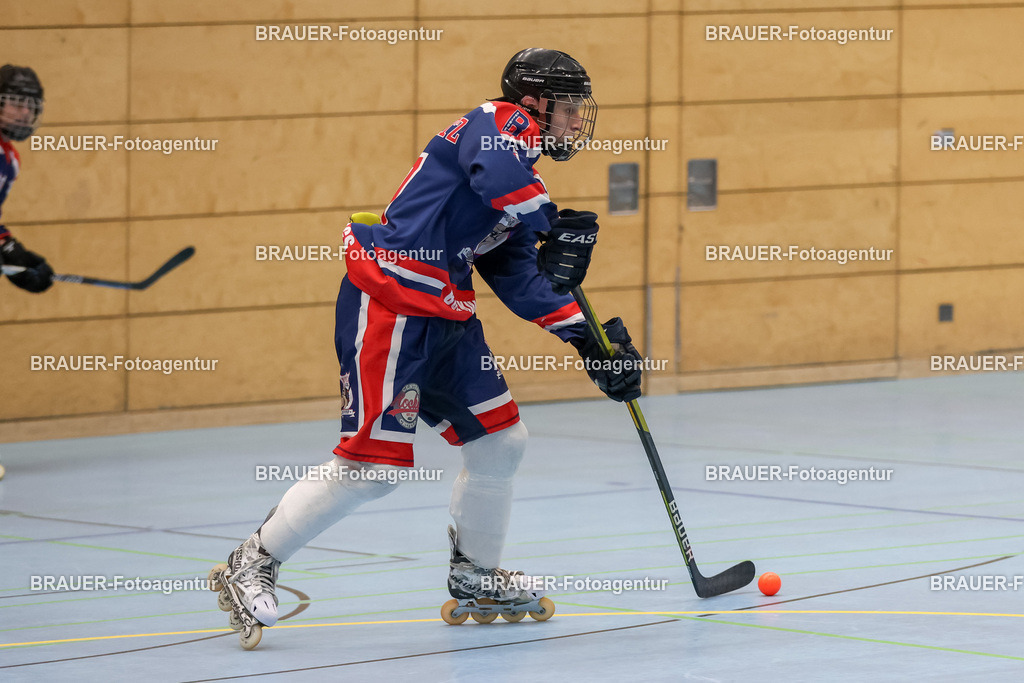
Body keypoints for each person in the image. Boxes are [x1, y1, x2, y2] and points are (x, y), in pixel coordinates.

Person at [212, 47, 643, 648]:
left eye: (578, 109)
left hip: (447, 318)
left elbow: (520, 278)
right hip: (391, 304)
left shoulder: (526, 183)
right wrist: (551, 223)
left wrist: (590, 343)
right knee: (369, 470)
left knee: (500, 442)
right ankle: (252, 560)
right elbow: (500, 179)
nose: (575, 121)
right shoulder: (493, 125)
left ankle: (475, 576)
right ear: (532, 103)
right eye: (567, 108)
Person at [0, 64, 52, 294]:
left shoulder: (10, 160)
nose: (25, 113)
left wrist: (14, 252)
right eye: (17, 103)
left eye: (30, 106)